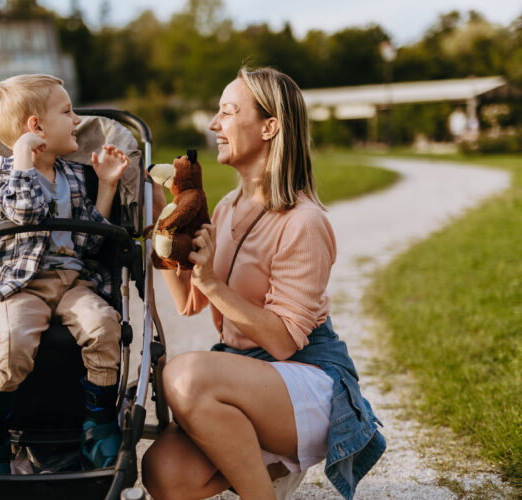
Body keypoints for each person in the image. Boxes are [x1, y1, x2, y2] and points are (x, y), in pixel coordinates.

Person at [142, 67, 385, 500]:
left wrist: (215, 284)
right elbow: (189, 303)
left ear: (270, 126)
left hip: (306, 377)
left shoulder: (303, 221)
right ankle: (270, 466)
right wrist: (162, 226)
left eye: (228, 112)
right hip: (251, 378)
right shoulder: (229, 207)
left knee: (184, 374)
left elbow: (284, 341)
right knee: (164, 472)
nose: (215, 125)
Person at [0, 74, 129, 473]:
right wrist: (23, 158)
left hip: (72, 282)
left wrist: (108, 186)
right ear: (35, 127)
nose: (77, 120)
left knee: (104, 325)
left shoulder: (75, 177)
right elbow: (24, 212)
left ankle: (97, 420)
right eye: (67, 112)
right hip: (22, 286)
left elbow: (92, 242)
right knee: (13, 346)